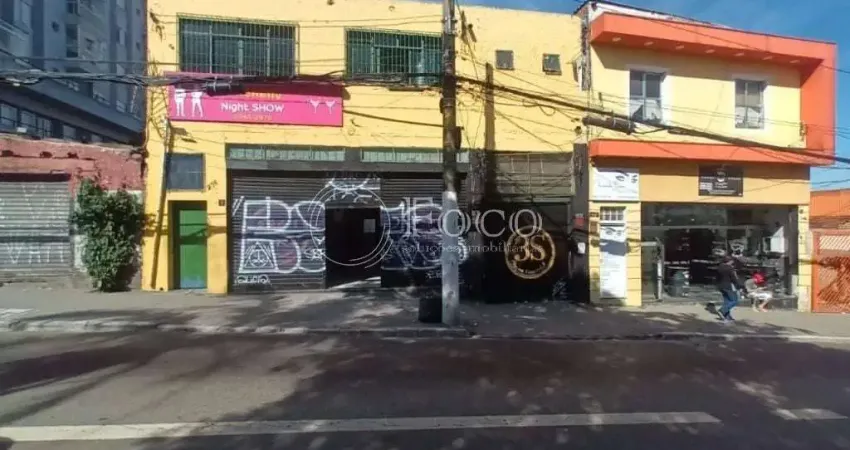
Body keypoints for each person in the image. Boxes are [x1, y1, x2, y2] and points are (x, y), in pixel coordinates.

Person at [716, 256, 746, 322]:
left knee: (727, 301)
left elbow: (717, 277)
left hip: (721, 286)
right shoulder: (730, 268)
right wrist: (739, 287)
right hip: (728, 286)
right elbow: (734, 279)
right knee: (734, 301)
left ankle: (727, 316)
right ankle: (722, 310)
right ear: (730, 261)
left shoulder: (719, 267)